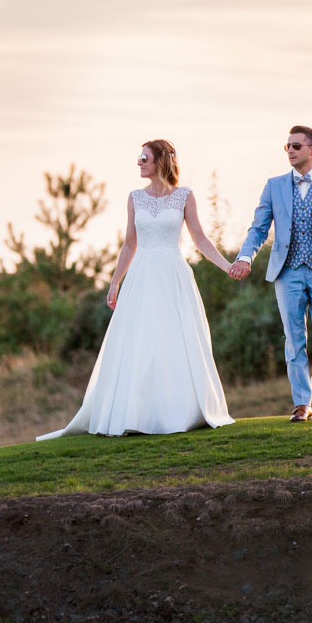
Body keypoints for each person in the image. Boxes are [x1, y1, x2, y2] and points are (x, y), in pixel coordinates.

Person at [38, 140, 236, 438]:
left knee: (174, 340)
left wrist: (227, 266)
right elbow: (130, 243)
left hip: (173, 274)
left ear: (161, 161)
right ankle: (136, 413)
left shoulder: (185, 196)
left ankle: (178, 412)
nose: (139, 163)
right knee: (141, 341)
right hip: (142, 276)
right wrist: (115, 281)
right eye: (139, 158)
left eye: (145, 157)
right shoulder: (135, 198)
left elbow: (201, 239)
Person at [228, 125, 312, 423]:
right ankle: (302, 403)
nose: (290, 150)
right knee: (294, 339)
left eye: (296, 146)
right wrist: (246, 256)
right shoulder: (274, 186)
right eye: (287, 146)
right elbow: (259, 228)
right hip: (286, 272)